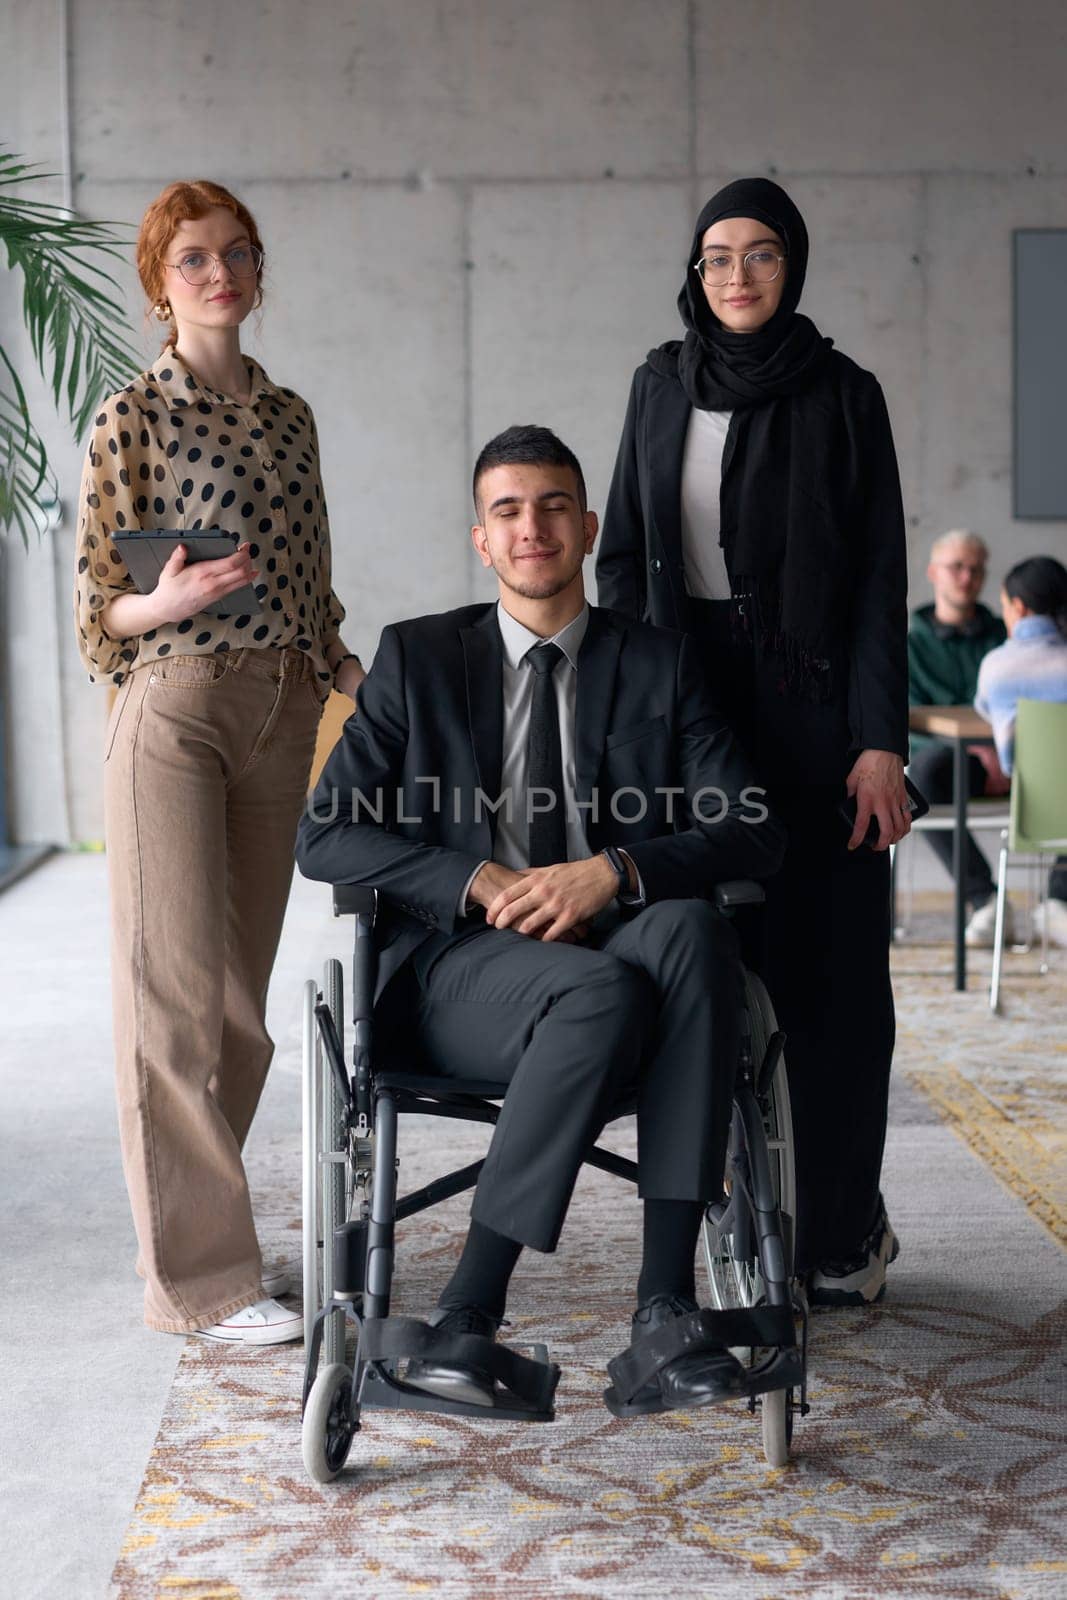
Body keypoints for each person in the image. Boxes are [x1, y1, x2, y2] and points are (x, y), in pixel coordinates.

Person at [296, 425, 786, 1410]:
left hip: (623, 946)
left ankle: (663, 1311)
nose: (533, 527)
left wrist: (612, 871)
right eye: (508, 510)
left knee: (690, 934)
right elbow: (324, 836)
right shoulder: (417, 657)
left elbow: (752, 827)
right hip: (459, 966)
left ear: (586, 524)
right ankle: (468, 1313)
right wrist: (472, 879)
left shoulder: (662, 665)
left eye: (554, 505)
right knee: (602, 987)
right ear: (481, 538)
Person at [596, 177, 910, 1306]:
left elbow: (878, 579)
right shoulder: (657, 383)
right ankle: (744, 1203)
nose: (736, 276)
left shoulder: (842, 393)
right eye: (717, 256)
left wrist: (879, 741)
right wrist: (630, 703)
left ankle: (837, 1231)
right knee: (720, 973)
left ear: (794, 268)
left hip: (817, 706)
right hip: (689, 702)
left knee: (831, 978)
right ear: (693, 270)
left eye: (761, 255)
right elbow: (625, 554)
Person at [73, 179, 365, 1344]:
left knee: (240, 1010)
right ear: (160, 284)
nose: (219, 273)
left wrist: (351, 671)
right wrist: (170, 596)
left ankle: (201, 1236)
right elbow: (98, 607)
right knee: (177, 1001)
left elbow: (314, 579)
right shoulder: (130, 416)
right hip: (175, 709)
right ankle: (199, 1284)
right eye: (192, 258)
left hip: (284, 706)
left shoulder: (290, 415)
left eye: (236, 252)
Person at [908, 530, 1009, 947]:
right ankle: (985, 899)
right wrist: (977, 750)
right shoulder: (909, 644)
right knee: (924, 775)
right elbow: (908, 726)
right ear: (934, 572)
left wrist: (1004, 749)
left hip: (1016, 759)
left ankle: (1057, 899)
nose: (967, 577)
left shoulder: (1006, 634)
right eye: (957, 567)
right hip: (953, 765)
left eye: (976, 569)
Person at [975, 555, 1067, 947]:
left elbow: (982, 709)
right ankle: (1058, 900)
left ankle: (992, 902)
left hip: (1029, 806)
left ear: (1019, 607)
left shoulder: (996, 666)